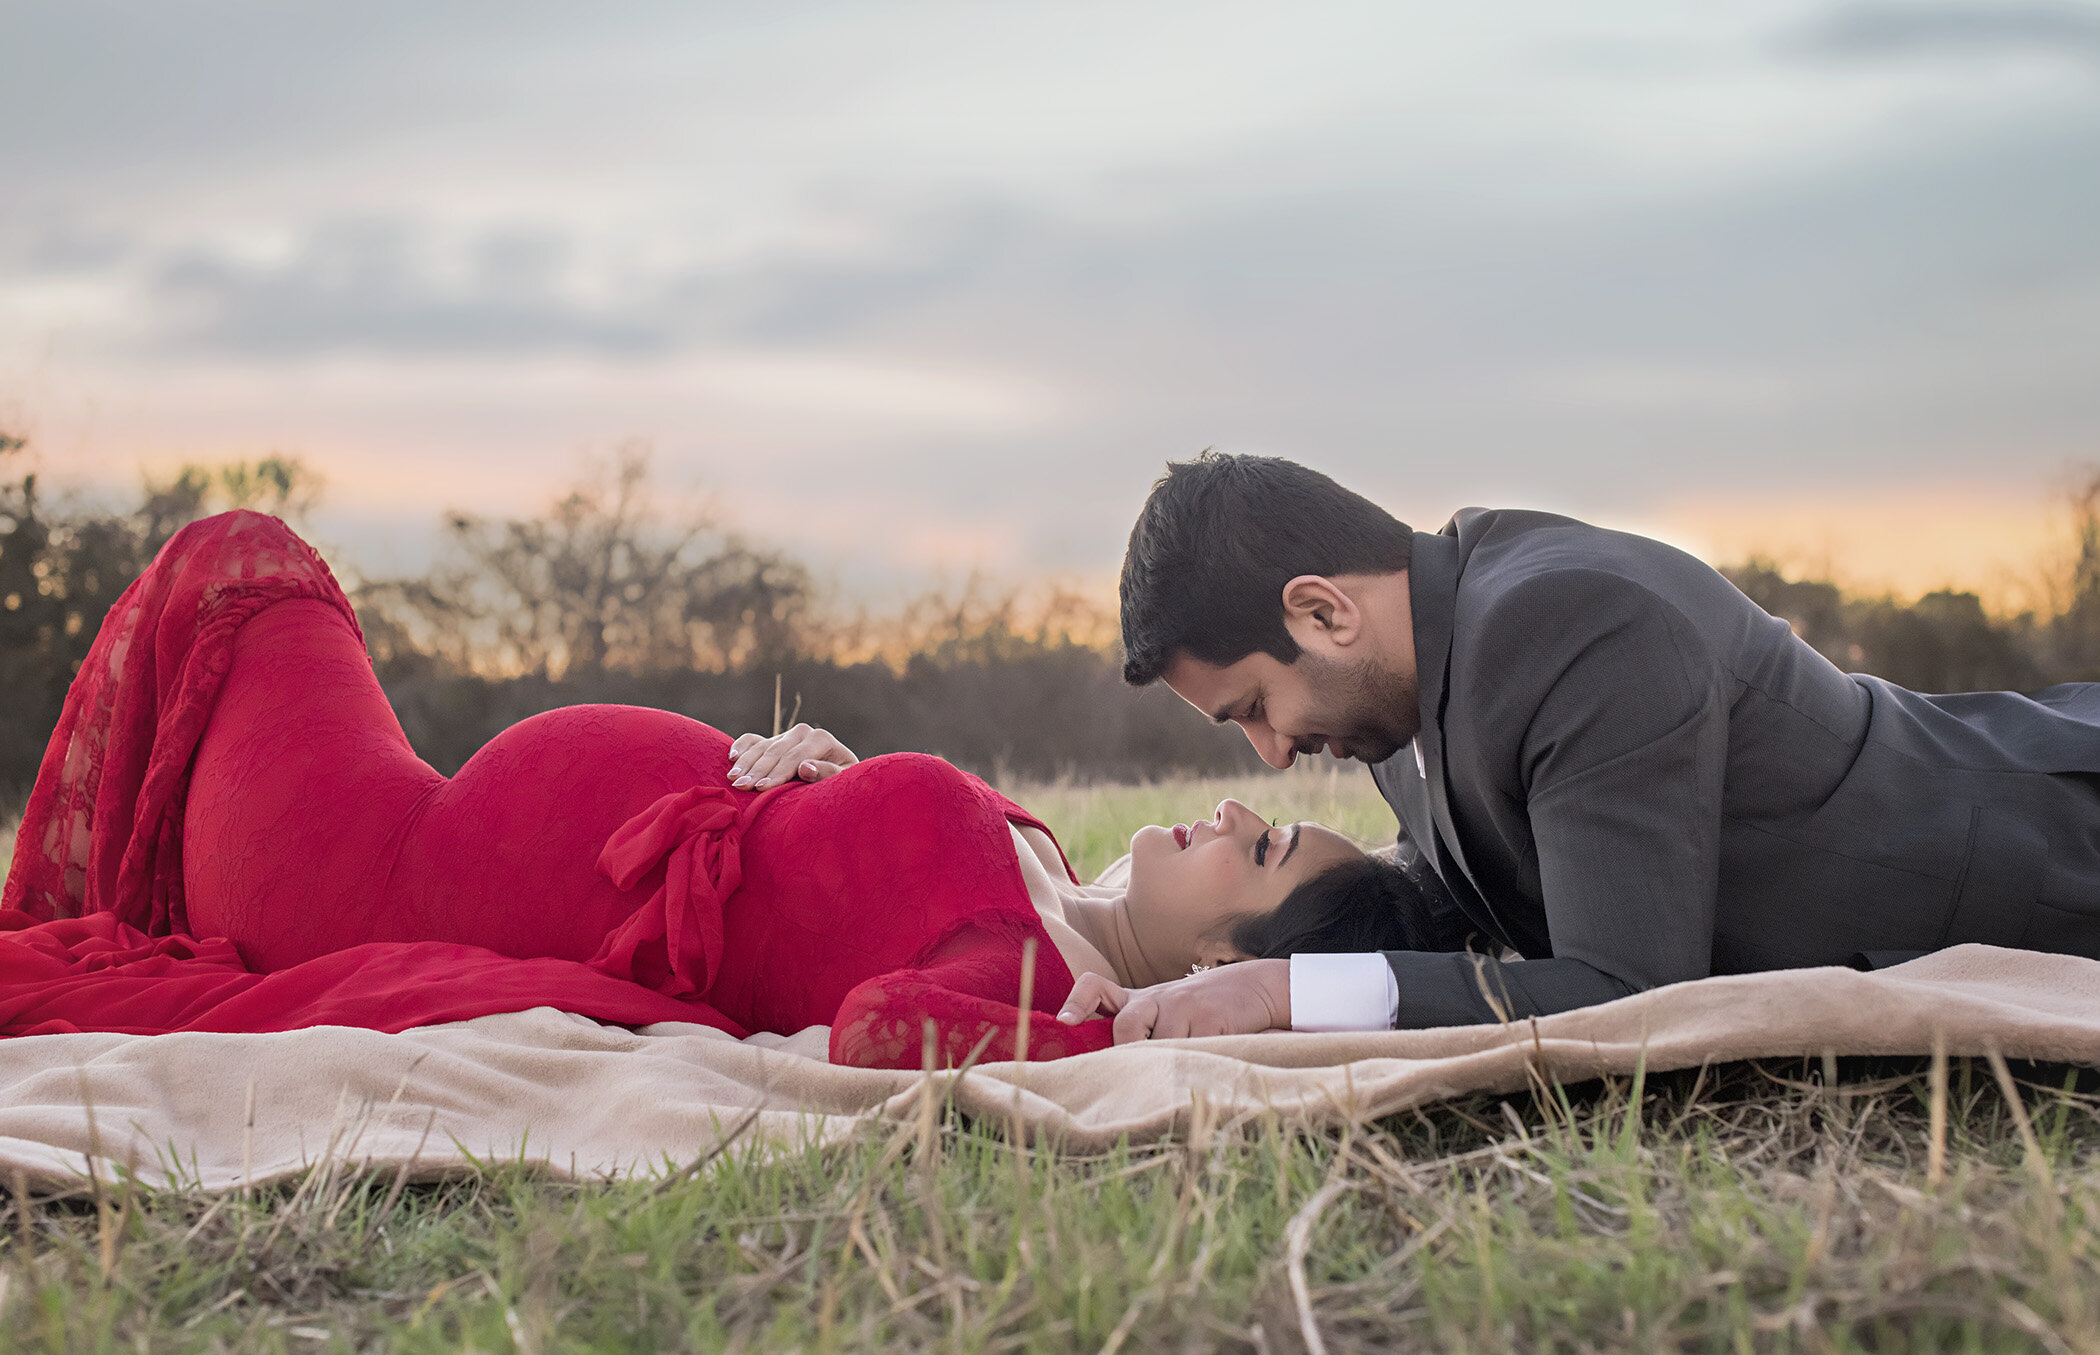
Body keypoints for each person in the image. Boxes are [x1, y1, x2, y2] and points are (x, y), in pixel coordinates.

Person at [0, 510, 1371, 1068]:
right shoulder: (1056, 883)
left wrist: (1123, 1041)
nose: (1244, 810)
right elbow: (842, 887)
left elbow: (885, 1028)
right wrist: (825, 778)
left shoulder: (1025, 978)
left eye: (1262, 859)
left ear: (1215, 966)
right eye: (1277, 816)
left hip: (373, 869)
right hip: (435, 810)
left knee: (241, 562)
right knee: (241, 568)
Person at [1059, 452, 2100, 1040]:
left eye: (1252, 705)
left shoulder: (1574, 625)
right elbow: (1478, 872)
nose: (1272, 755)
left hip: (2054, 846)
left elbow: (1631, 990)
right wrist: (1176, 985)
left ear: (1323, 612)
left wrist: (1275, 991)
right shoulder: (1388, 690)